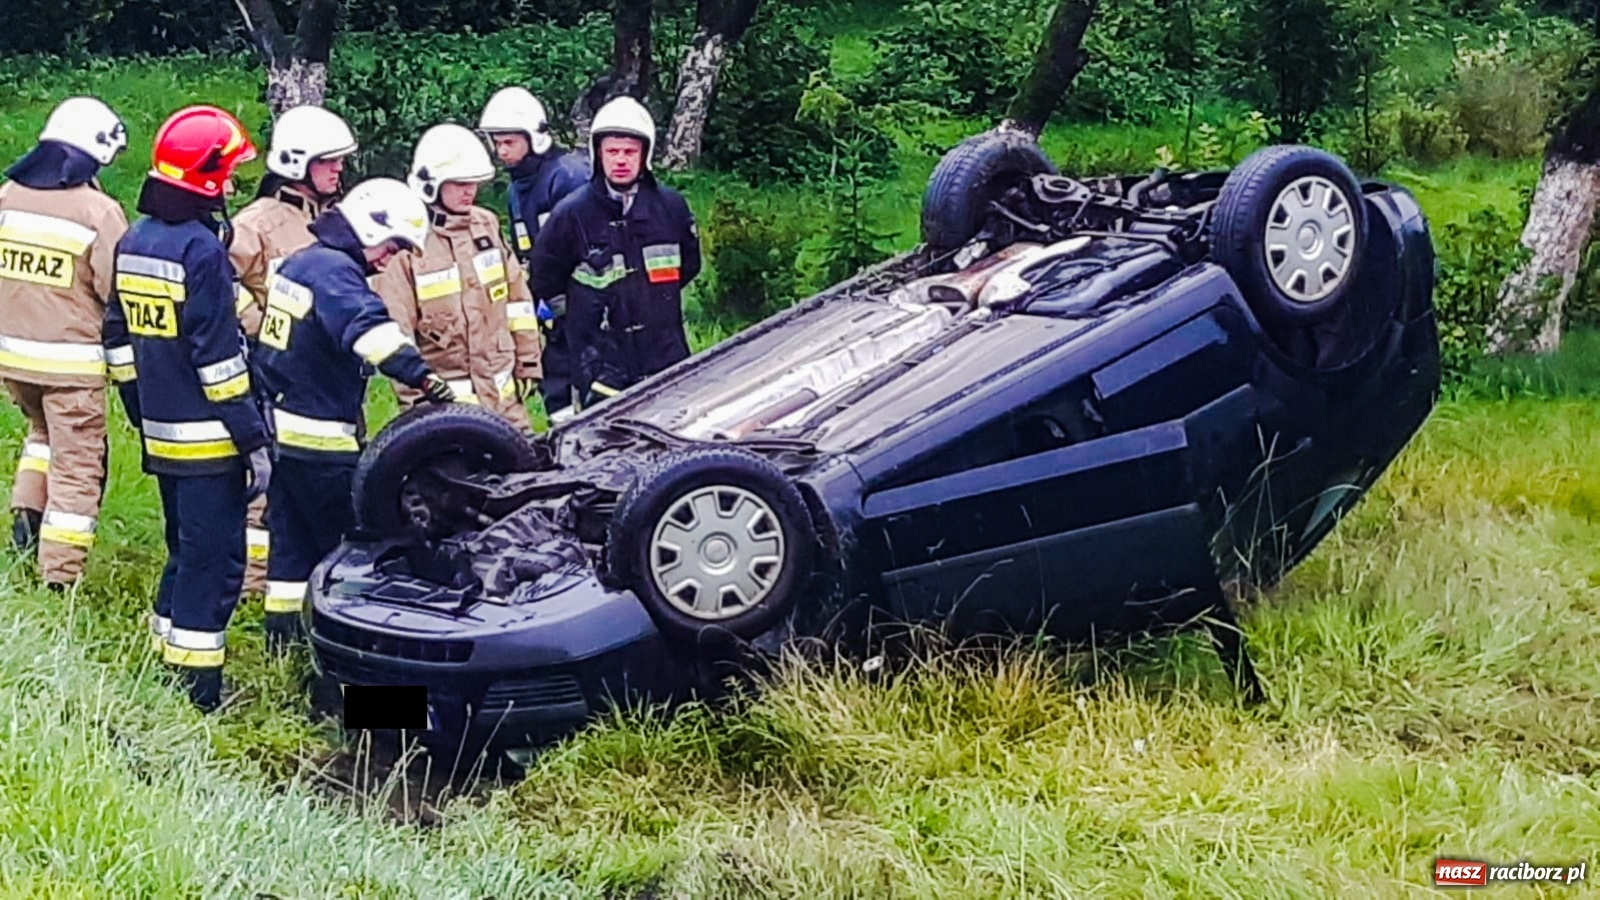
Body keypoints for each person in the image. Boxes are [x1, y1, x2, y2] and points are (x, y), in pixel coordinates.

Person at [103, 105, 271, 712]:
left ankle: (161, 657)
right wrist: (252, 439)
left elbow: (117, 337)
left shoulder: (135, 239)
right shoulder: (199, 250)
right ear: (204, 177)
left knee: (183, 551)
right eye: (226, 172)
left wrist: (138, 408)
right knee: (215, 561)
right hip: (209, 441)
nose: (230, 184)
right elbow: (219, 360)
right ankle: (196, 693)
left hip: (160, 431)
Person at [251, 178, 455, 649]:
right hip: (320, 442)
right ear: (367, 228)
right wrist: (429, 382)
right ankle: (348, 655)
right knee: (351, 551)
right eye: (391, 245)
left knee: (291, 547)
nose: (389, 259)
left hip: (279, 434)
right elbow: (371, 333)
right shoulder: (334, 273)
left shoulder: (301, 262)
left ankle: (284, 647)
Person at [228, 104, 359, 601]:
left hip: (322, 382)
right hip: (271, 379)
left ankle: (306, 590)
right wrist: (262, 326)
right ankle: (249, 589)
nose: (338, 170)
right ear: (297, 162)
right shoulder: (255, 223)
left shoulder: (334, 222)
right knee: (266, 493)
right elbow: (222, 284)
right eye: (329, 162)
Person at [0, 96, 130, 590]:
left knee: (40, 439)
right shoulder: (99, 211)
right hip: (72, 367)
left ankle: (25, 525)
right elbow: (116, 288)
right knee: (78, 467)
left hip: (14, 359)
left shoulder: (8, 195)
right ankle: (59, 579)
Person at [528, 96, 701, 410]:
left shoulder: (671, 208)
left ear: (644, 154)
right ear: (598, 154)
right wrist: (582, 324)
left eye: (630, 151)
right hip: (600, 365)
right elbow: (544, 280)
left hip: (665, 356)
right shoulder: (571, 214)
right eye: (612, 151)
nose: (621, 160)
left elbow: (689, 266)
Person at [372, 123, 542, 430]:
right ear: (430, 183)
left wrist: (528, 363)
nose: (470, 191)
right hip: (446, 415)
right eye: (460, 183)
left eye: (474, 182)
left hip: (507, 408)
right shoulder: (407, 242)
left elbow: (518, 300)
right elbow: (397, 336)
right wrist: (417, 404)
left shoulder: (486, 225)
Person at [478, 86, 590, 418]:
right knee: (556, 390)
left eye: (509, 142)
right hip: (551, 313)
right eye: (497, 143)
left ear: (535, 137)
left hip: (587, 311)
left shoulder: (569, 176)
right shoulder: (517, 189)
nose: (501, 152)